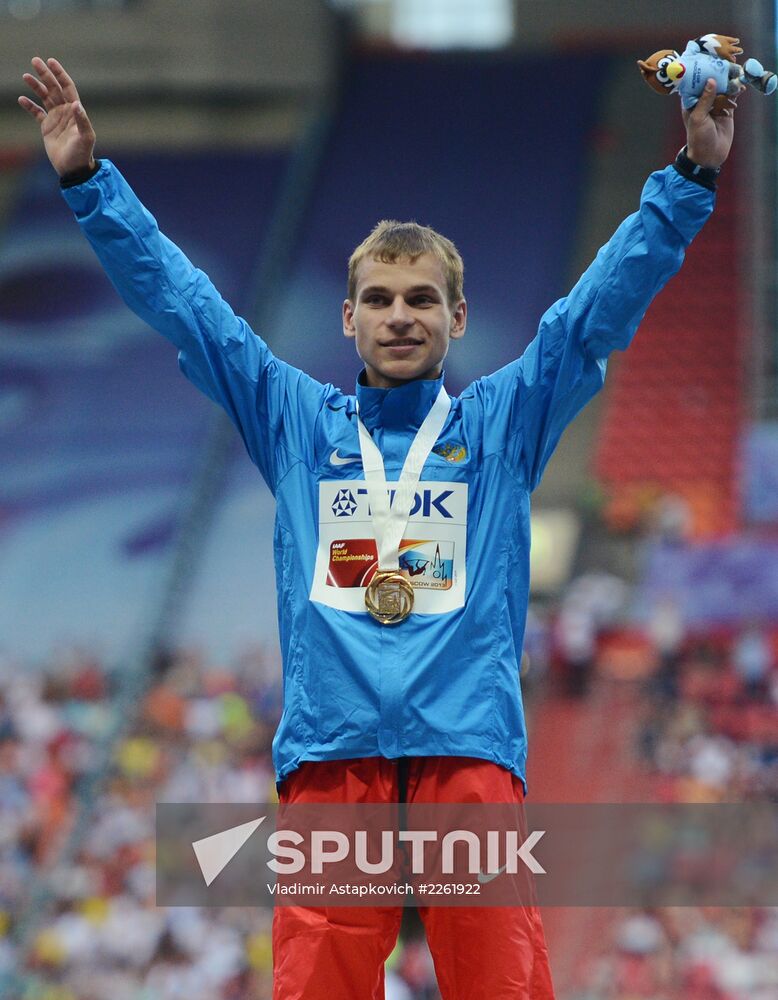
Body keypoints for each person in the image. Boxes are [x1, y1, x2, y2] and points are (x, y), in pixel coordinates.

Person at [19, 55, 736, 1000]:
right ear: (349, 320)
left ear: (458, 316)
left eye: (423, 298)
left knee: (505, 987)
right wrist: (86, 181)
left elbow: (593, 316)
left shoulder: (501, 425)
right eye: (382, 300)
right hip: (333, 759)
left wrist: (689, 180)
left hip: (468, 757)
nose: (402, 316)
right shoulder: (296, 419)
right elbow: (189, 308)